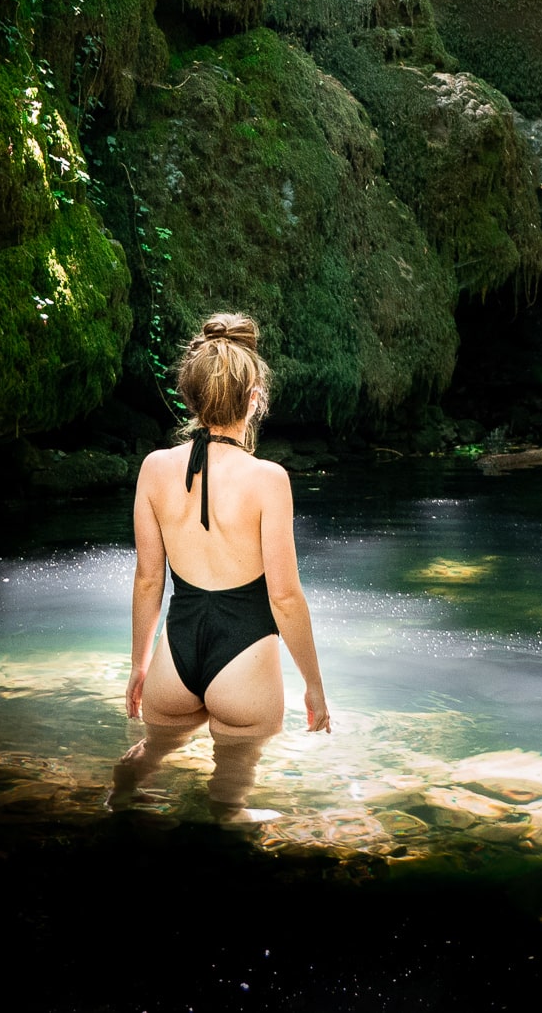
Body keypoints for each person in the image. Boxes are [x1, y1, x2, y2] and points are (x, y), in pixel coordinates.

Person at [112, 313, 329, 816]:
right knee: (229, 800)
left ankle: (118, 807)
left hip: (176, 658)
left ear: (190, 397)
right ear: (254, 396)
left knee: (150, 755)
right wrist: (313, 686)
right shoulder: (268, 479)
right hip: (245, 661)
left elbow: (148, 580)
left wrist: (139, 667)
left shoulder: (153, 469)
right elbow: (284, 597)